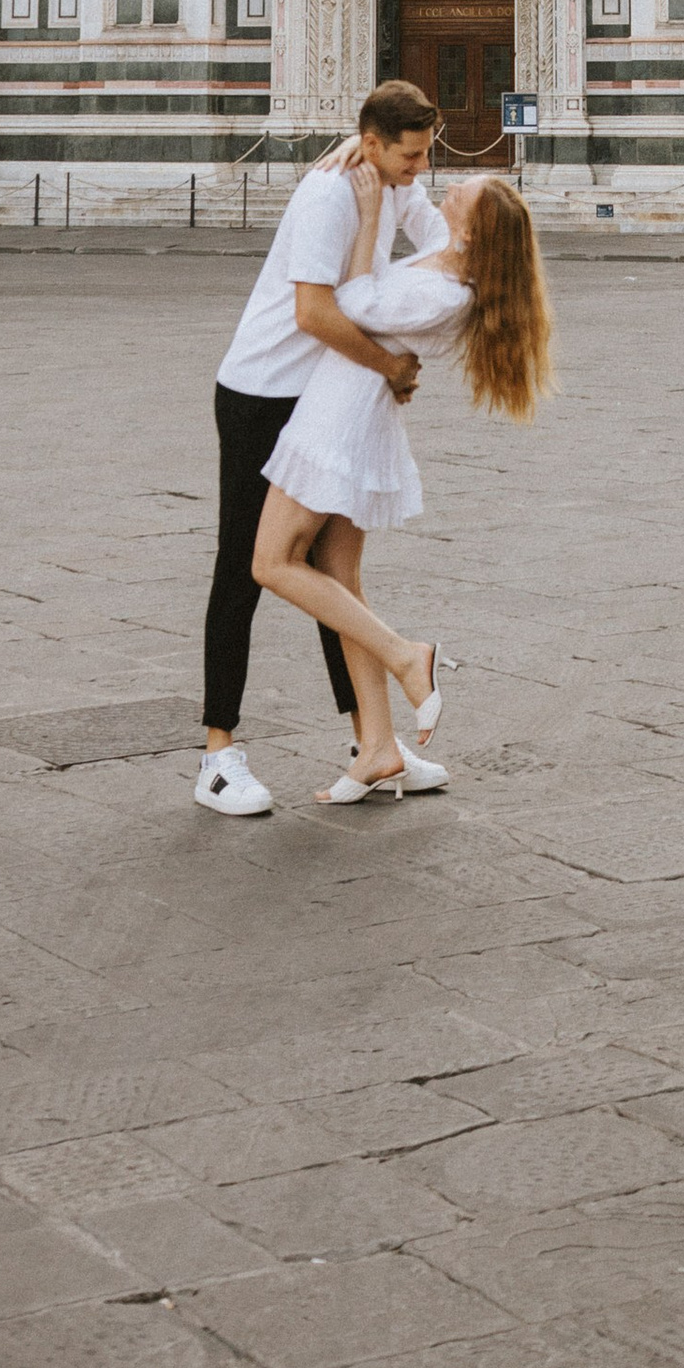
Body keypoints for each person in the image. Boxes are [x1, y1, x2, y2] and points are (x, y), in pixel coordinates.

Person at [252, 160, 554, 802]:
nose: (446, 189)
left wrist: (364, 222)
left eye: (459, 196)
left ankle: (405, 655)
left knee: (272, 563)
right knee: (339, 582)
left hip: (339, 420)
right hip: (353, 413)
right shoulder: (449, 260)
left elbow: (354, 302)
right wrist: (368, 149)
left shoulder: (445, 292)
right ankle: (380, 749)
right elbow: (413, 195)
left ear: (472, 235)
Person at [196, 83, 446, 819]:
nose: (419, 167)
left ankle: (375, 745)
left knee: (333, 575)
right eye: (410, 153)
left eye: (426, 153)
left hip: (322, 397)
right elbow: (313, 310)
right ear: (370, 143)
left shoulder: (393, 183)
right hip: (260, 393)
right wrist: (391, 364)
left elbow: (442, 245)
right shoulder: (328, 194)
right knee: (245, 567)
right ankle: (217, 756)